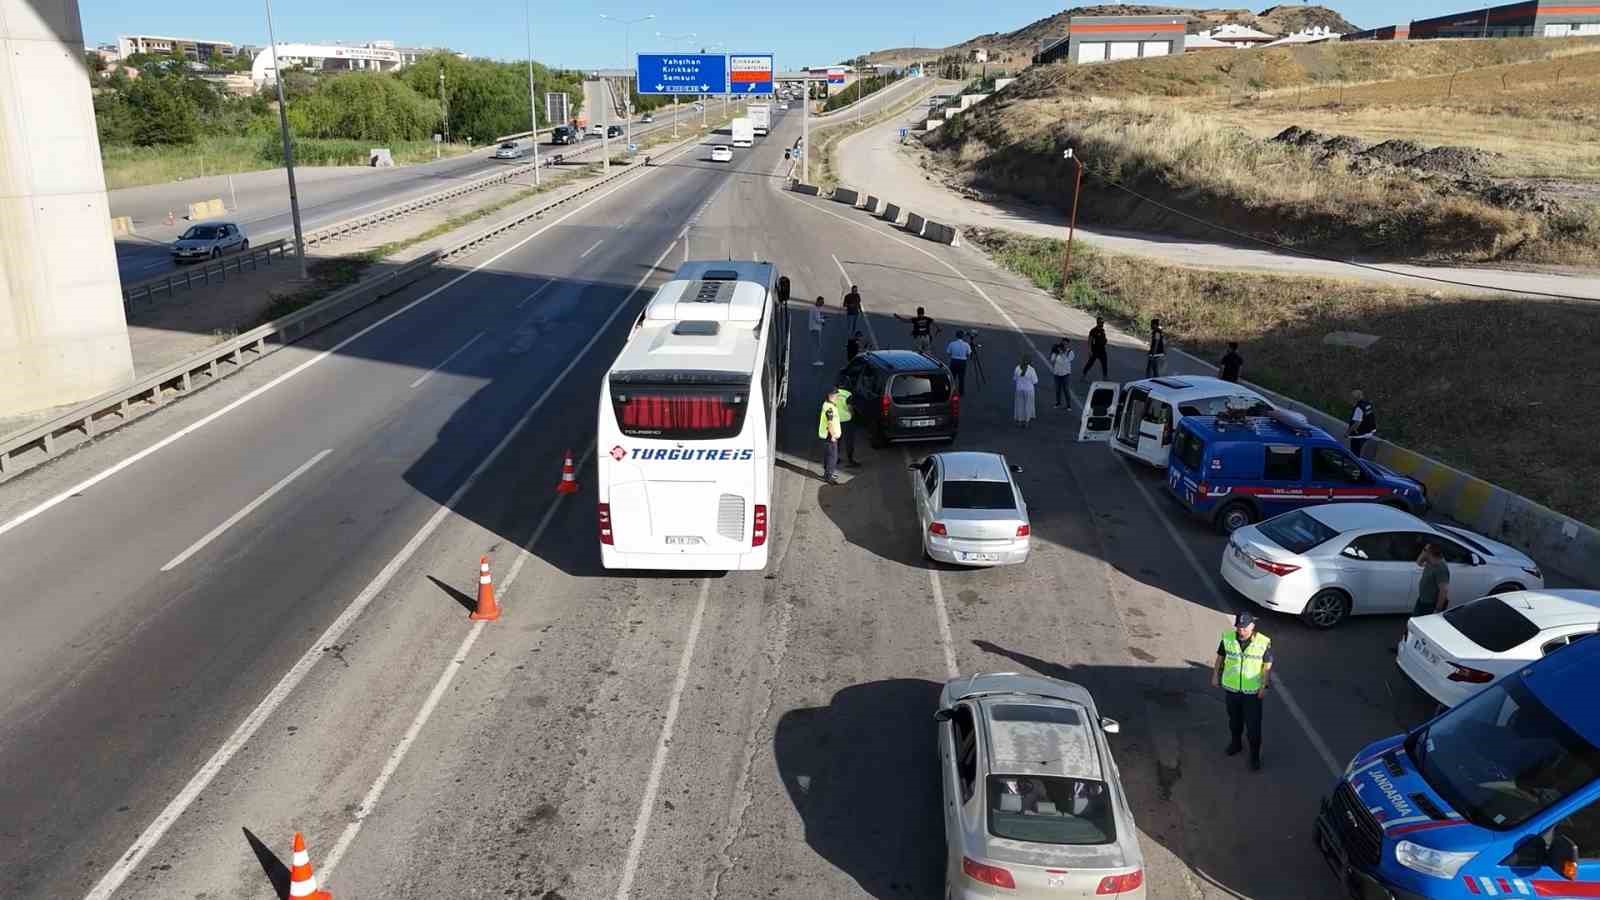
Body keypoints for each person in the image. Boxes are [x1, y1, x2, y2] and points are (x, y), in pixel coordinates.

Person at [1211, 611, 1272, 771]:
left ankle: (1254, 756)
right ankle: (1236, 744)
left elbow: (1266, 667)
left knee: (1253, 728)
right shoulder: (1228, 638)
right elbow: (1220, 658)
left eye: (1244, 627)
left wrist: (1264, 686)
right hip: (1232, 691)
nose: (1241, 630)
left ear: (1252, 626)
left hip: (1252, 693)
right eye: (1239, 626)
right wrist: (1215, 675)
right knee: (1234, 722)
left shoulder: (1263, 642)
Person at [1415, 542, 1451, 616]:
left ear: (1430, 552)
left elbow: (1443, 591)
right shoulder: (1429, 561)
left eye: (1424, 549)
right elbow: (1418, 562)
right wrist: (1424, 553)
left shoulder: (1440, 568)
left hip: (1430, 605)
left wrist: (1437, 610)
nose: (1423, 551)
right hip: (1423, 600)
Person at [833, 380, 860, 467]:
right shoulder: (848, 395)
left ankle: (835, 459)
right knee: (849, 441)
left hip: (836, 420)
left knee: (837, 440)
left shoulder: (834, 393)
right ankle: (850, 461)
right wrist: (853, 415)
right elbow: (850, 407)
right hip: (847, 421)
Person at [818, 388, 842, 484]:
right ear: (830, 396)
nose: (837, 397)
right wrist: (833, 435)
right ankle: (829, 477)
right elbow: (830, 423)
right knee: (832, 457)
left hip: (829, 435)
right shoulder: (829, 408)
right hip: (830, 435)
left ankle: (828, 473)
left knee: (829, 455)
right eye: (836, 396)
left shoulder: (829, 405)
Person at [1347, 389, 1377, 458]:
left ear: (1355, 399)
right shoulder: (1368, 404)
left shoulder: (1359, 408)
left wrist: (1348, 432)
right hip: (1370, 432)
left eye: (1352, 398)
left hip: (1360, 434)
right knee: (1359, 453)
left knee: (1354, 455)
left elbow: (1357, 423)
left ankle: (1355, 466)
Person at [1048, 340, 1076, 410]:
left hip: (1065, 374)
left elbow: (1067, 360)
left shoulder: (1070, 352)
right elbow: (1052, 360)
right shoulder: (1057, 352)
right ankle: (1058, 403)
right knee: (1057, 390)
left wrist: (1062, 353)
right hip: (1057, 374)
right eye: (1063, 344)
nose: (1064, 346)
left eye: (1066, 344)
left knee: (1066, 390)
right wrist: (1054, 352)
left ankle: (1068, 405)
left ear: (1068, 344)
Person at [1012, 354, 1038, 428]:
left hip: (1019, 389)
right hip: (1029, 390)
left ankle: (1020, 421)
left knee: (1020, 405)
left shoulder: (1017, 368)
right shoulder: (1031, 370)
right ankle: (1027, 421)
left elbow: (1015, 379)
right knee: (1028, 405)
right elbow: (1035, 381)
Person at [945, 330, 973, 394]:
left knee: (952, 377)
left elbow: (948, 353)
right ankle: (961, 392)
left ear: (956, 336)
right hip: (962, 362)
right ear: (963, 336)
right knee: (961, 378)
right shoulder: (966, 344)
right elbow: (969, 354)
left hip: (954, 361)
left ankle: (951, 391)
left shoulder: (952, 343)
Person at [808, 297, 827, 367]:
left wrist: (822, 317)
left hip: (814, 329)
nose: (822, 304)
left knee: (816, 345)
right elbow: (817, 319)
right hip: (815, 329)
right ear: (818, 301)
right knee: (817, 345)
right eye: (821, 302)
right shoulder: (815, 309)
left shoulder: (815, 308)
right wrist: (823, 321)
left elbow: (817, 317)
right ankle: (816, 361)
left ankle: (815, 360)